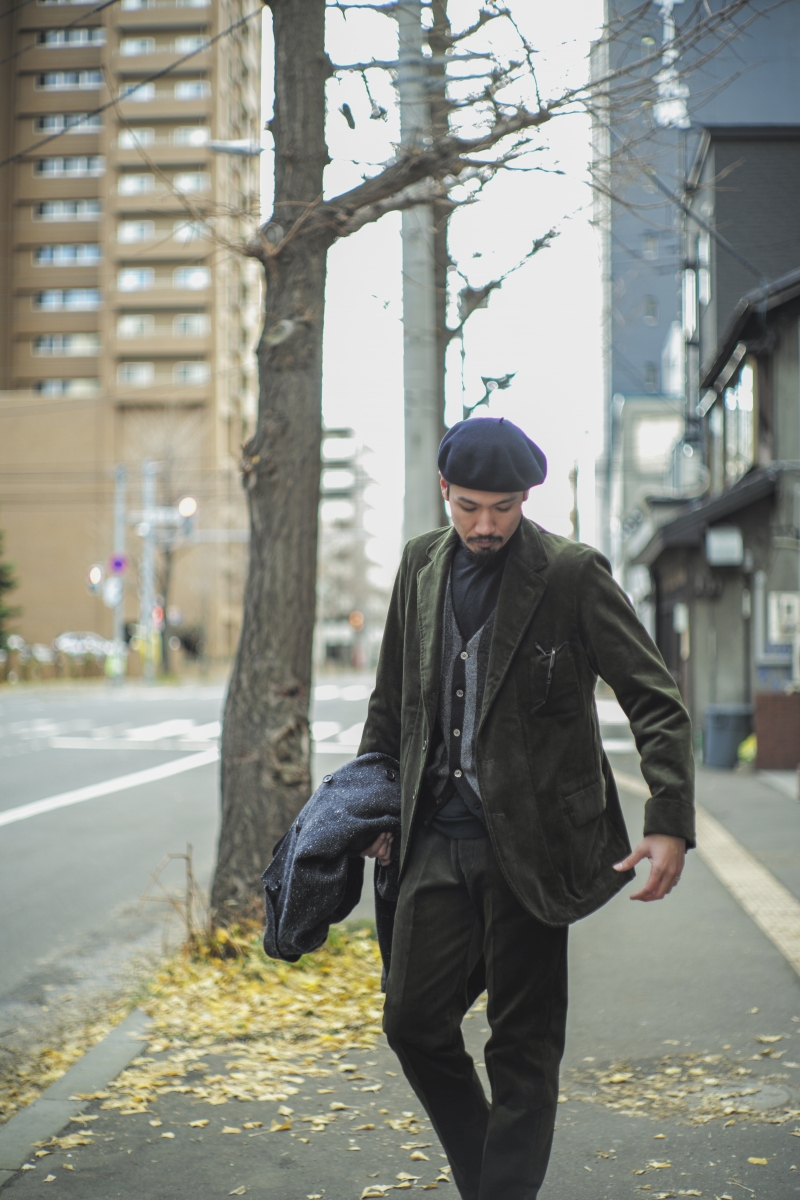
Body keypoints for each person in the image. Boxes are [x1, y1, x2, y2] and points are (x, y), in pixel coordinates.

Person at [357, 416, 694, 1200]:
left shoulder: (570, 573)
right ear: (445, 491)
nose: (486, 525)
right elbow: (392, 703)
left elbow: (654, 697)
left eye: (504, 508)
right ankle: (492, 1180)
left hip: (538, 845)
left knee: (524, 1046)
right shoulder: (419, 566)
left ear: (526, 500)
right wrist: (377, 805)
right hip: (435, 837)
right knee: (412, 1022)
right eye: (470, 505)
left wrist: (669, 820)